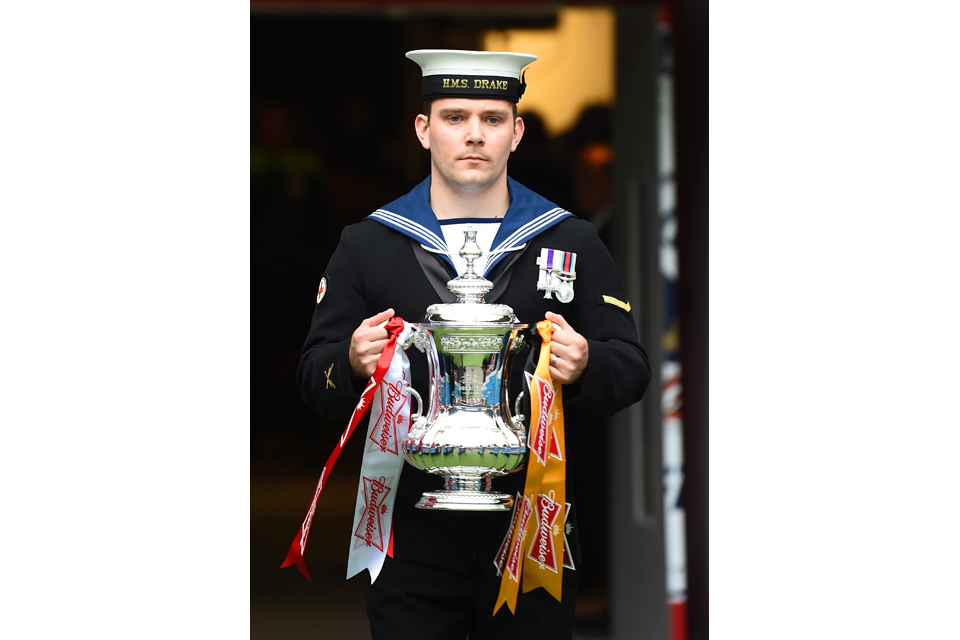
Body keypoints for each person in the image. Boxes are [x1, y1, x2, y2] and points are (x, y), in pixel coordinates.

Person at [297, 49, 650, 640]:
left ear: (517, 132)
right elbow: (313, 379)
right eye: (455, 117)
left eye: (492, 118)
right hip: (408, 538)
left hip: (532, 530)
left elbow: (631, 369)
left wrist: (587, 362)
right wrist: (349, 362)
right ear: (423, 129)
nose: (474, 135)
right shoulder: (368, 243)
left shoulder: (571, 238)